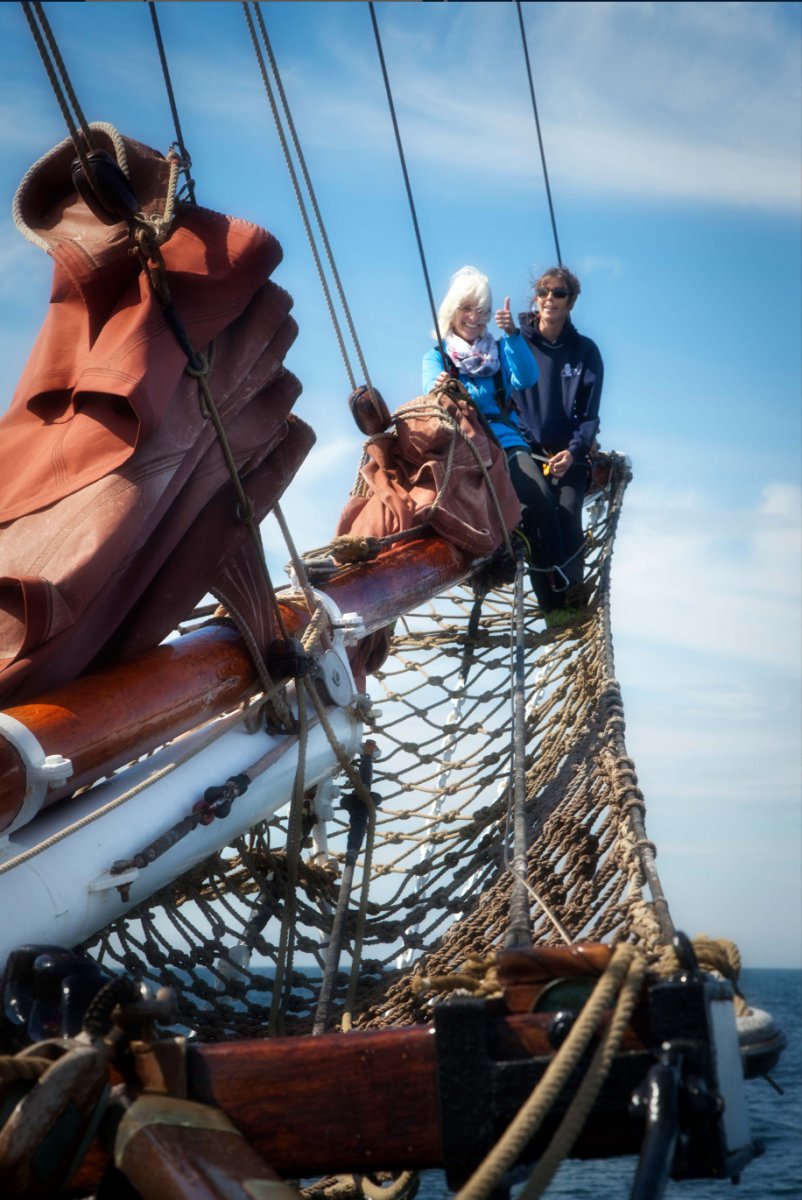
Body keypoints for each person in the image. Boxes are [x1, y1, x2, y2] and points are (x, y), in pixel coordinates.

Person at [422, 265, 544, 567]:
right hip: (464, 447)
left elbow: (527, 378)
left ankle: (553, 584)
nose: (474, 318)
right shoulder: (437, 357)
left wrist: (513, 335)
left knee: (541, 500)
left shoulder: (501, 350)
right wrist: (439, 388)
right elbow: (429, 394)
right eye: (467, 308)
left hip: (505, 442)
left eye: (482, 311)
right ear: (453, 310)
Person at [511, 266, 603, 623]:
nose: (550, 298)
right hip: (525, 448)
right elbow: (500, 395)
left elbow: (590, 416)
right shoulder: (516, 343)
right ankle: (552, 608)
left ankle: (573, 595)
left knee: (567, 512)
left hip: (569, 451)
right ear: (536, 297)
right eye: (544, 292)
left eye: (559, 293)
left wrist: (575, 451)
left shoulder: (586, 352)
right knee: (536, 518)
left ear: (572, 301)